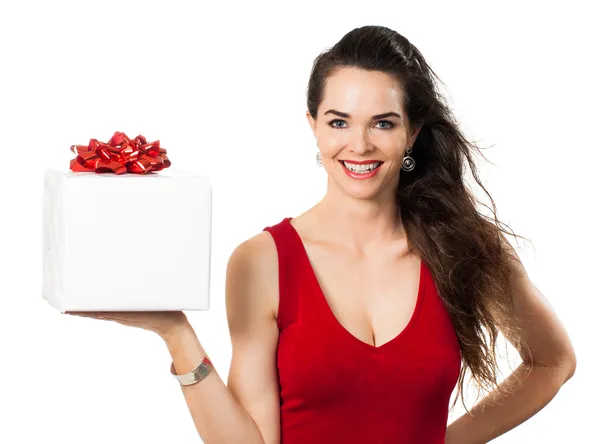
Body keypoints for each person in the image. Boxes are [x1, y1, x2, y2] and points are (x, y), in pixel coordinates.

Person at [68, 25, 577, 443]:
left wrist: (448, 441)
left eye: (382, 123)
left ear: (412, 134)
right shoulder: (261, 261)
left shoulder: (464, 248)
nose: (358, 144)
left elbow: (552, 361)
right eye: (339, 122)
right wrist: (175, 332)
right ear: (312, 125)